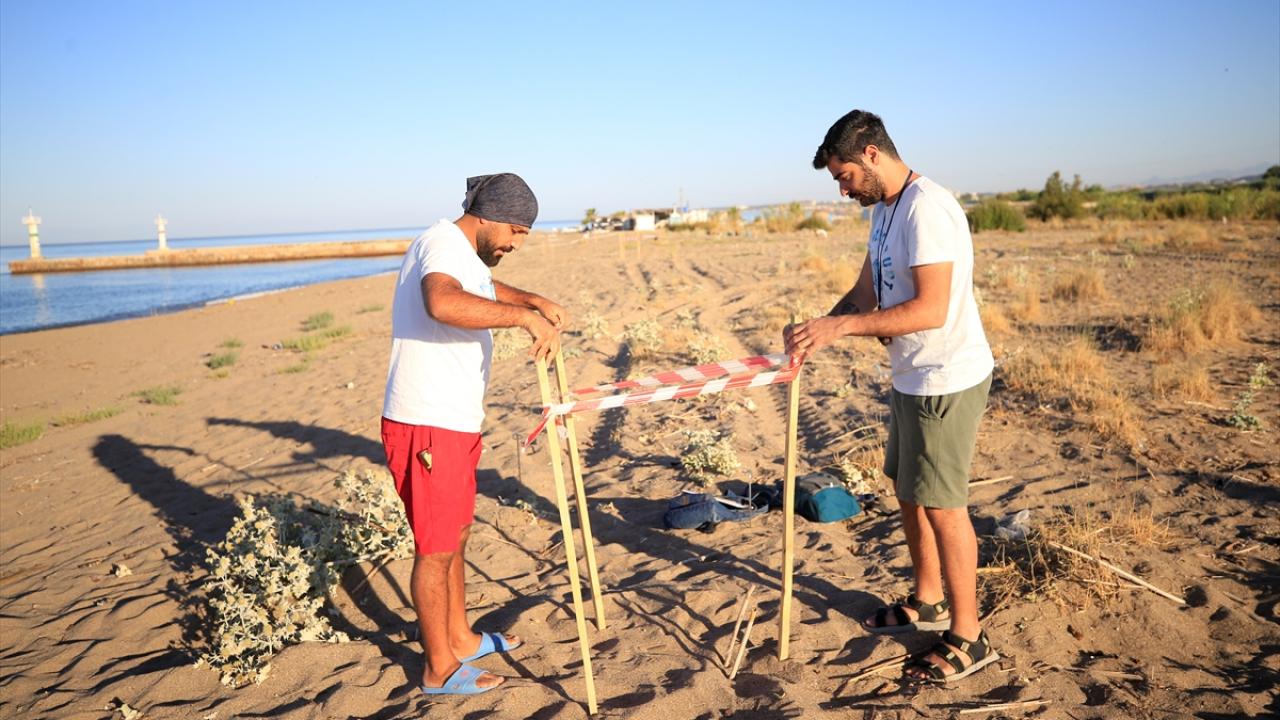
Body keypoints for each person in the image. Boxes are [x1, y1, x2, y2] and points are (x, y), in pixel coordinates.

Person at [784, 110, 998, 684]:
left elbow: (931, 309)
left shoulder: (928, 208)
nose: (842, 187)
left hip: (945, 378)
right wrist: (819, 329)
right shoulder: (884, 209)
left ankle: (969, 636)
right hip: (911, 375)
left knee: (943, 505)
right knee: (909, 492)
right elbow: (864, 289)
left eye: (844, 175)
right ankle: (927, 600)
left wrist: (843, 330)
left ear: (872, 154)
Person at [381, 173, 567, 695]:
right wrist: (523, 321)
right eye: (514, 230)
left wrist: (530, 301)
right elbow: (443, 301)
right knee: (435, 549)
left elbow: (480, 288)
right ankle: (438, 668)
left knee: (455, 536)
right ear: (486, 216)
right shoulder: (441, 243)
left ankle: (460, 638)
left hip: (454, 421)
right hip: (426, 423)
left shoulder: (464, 253)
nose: (515, 242)